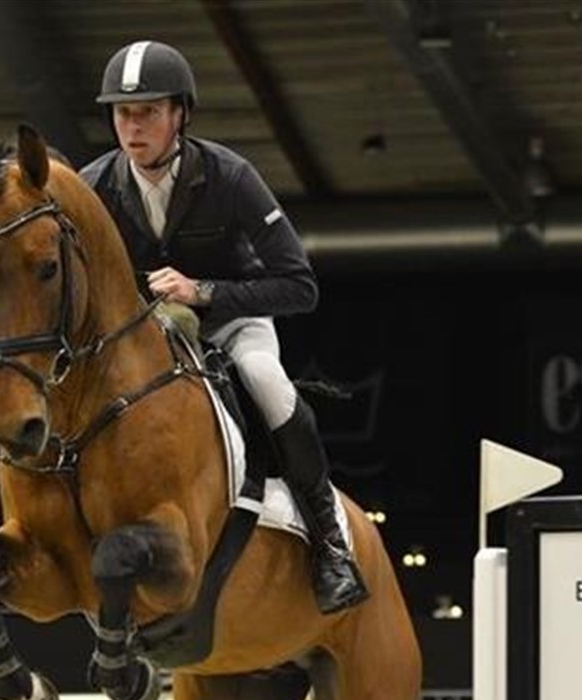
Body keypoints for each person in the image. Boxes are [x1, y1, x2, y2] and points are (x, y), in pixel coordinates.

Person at [79, 40, 367, 614]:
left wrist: (202, 291)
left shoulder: (230, 176)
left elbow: (300, 285)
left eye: (148, 112)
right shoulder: (94, 186)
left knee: (266, 381)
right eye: (123, 113)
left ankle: (330, 543)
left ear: (180, 114)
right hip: (142, 338)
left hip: (231, 324)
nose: (132, 128)